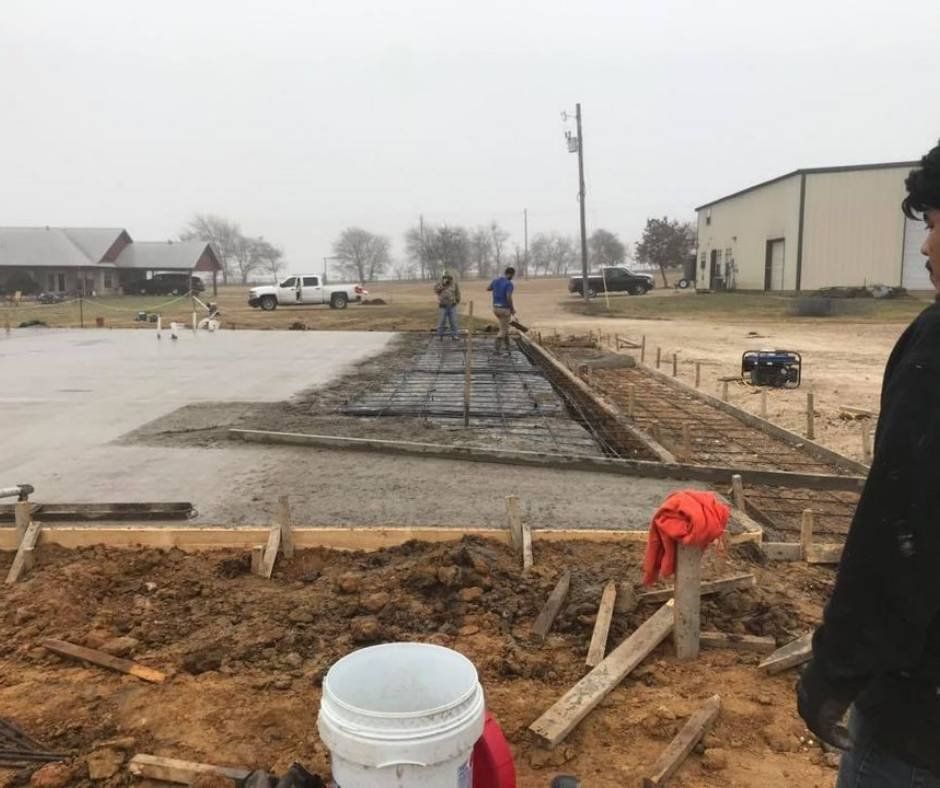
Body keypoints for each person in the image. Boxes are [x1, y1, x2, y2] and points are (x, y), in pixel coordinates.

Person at [797, 140, 940, 786]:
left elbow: (902, 531)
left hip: (918, 725)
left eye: (934, 224)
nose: (926, 247)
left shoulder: (933, 352)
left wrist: (835, 671)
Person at [487, 266, 516, 355]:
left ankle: (508, 347)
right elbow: (508, 297)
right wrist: (512, 309)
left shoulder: (496, 280)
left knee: (504, 327)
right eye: (513, 275)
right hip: (504, 310)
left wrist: (496, 288)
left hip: (496, 309)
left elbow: (488, 288)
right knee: (503, 330)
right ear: (511, 274)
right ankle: (496, 350)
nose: (513, 277)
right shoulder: (509, 284)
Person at [433, 271, 460, 341]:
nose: (447, 279)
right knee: (441, 321)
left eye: (449, 278)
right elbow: (436, 290)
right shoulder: (440, 283)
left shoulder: (454, 284)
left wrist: (457, 300)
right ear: (443, 278)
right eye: (445, 277)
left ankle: (455, 335)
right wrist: (443, 285)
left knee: (454, 321)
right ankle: (440, 336)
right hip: (443, 306)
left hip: (452, 305)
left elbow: (457, 293)